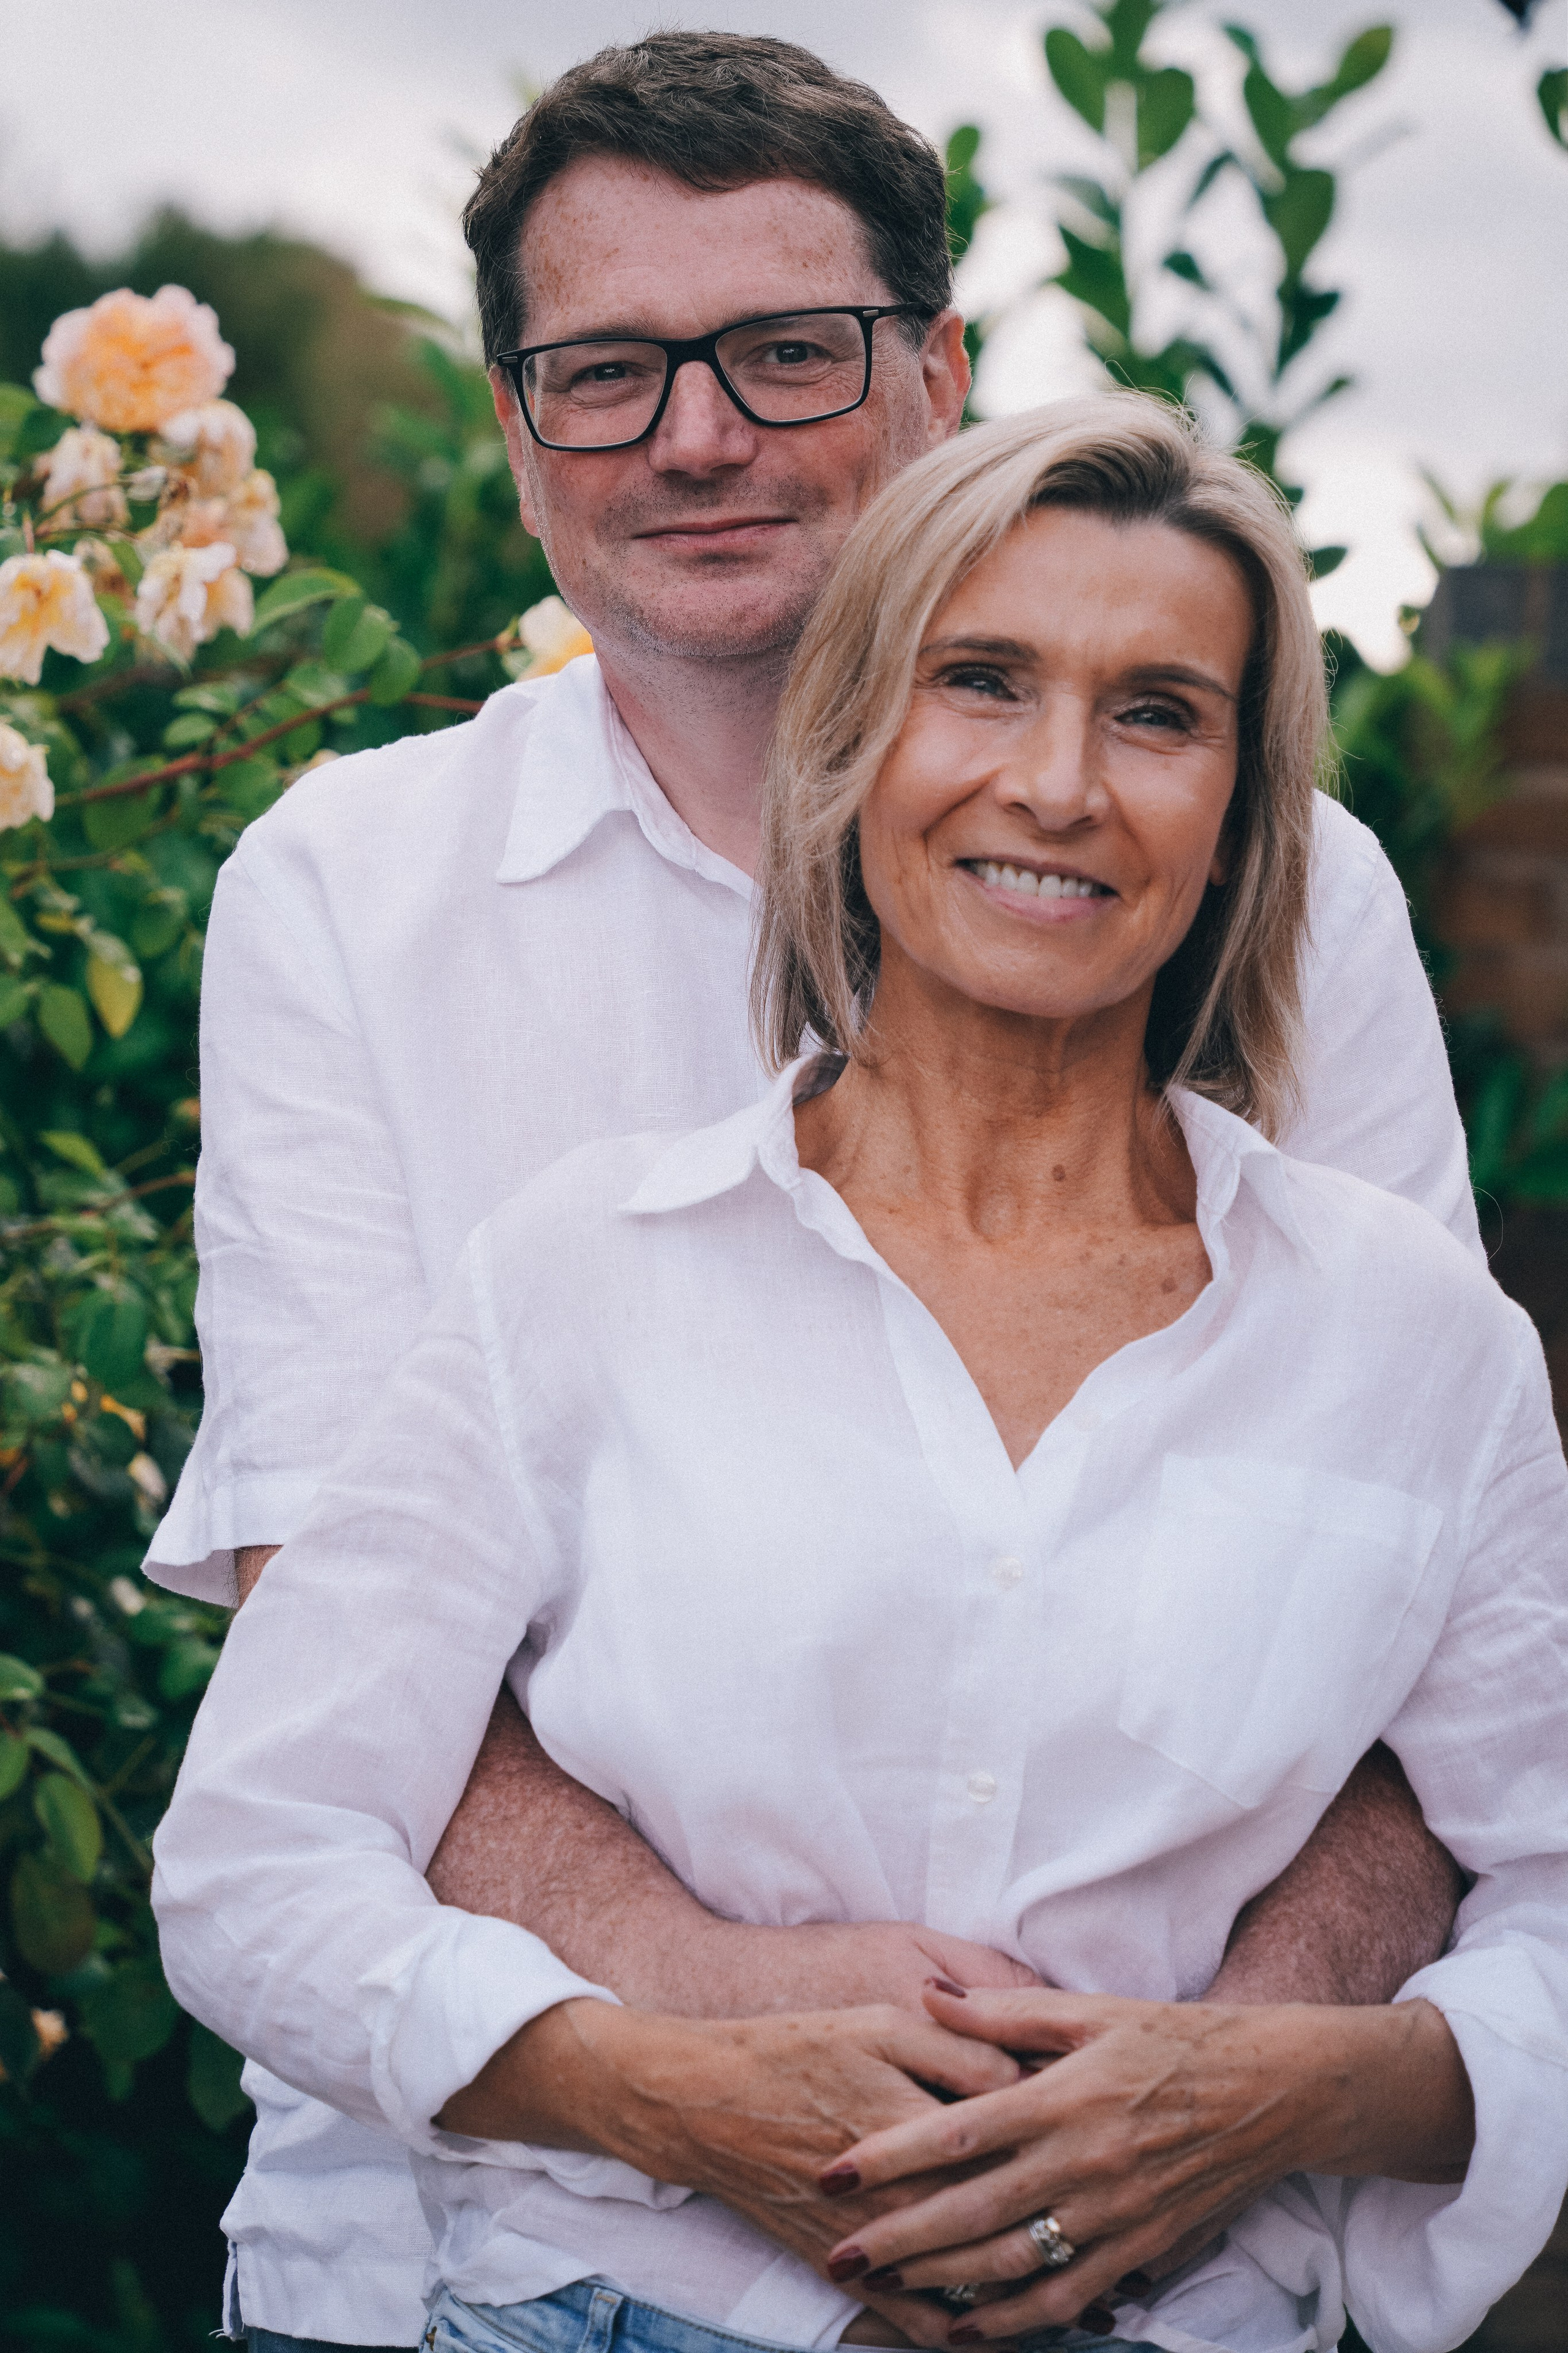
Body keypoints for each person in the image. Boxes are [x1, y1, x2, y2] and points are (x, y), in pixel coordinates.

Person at [145, 36, 1475, 2353]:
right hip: (493, 2235)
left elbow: (1434, 1625)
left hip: (1174, 2282)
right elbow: (333, 1629)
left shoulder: (1282, 894)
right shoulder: (349, 892)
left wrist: (1213, 2099)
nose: (694, 435)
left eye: (783, 349)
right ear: (510, 420)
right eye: (605, 370)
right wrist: (720, 2035)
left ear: (940, 370)